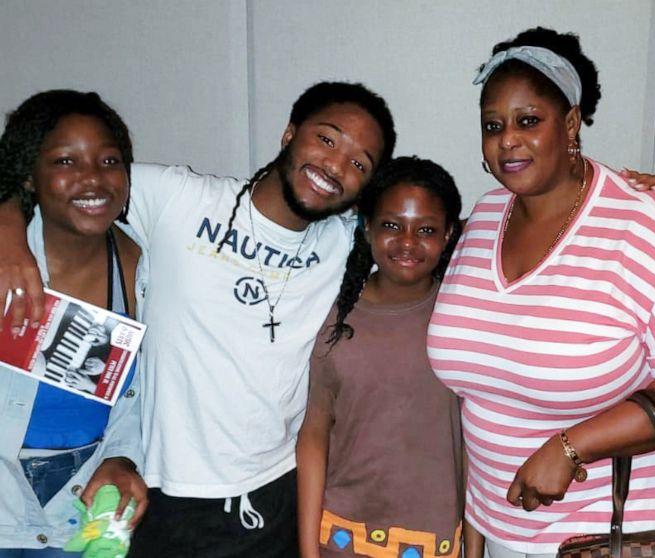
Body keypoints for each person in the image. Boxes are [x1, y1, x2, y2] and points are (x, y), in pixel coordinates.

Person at [0, 81, 397, 557]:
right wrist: (7, 225)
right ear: (289, 133)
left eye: (359, 163)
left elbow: (433, 239)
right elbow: (65, 181)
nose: (336, 166)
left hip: (272, 494)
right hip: (163, 493)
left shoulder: (349, 243)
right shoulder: (177, 197)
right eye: (327, 140)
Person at [426, 27, 655, 558]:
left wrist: (571, 448)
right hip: (501, 527)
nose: (508, 140)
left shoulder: (648, 227)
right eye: (493, 125)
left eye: (528, 121)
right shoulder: (482, 218)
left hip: (612, 535)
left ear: (570, 123)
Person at [0, 90, 146, 556]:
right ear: (29, 175)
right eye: (65, 162)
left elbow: (138, 394)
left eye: (109, 161)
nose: (92, 179)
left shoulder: (141, 266)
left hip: (83, 508)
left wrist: (124, 457)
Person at [297, 156, 464, 558]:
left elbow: (477, 443)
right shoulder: (332, 316)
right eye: (392, 225)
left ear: (447, 236)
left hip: (433, 542)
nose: (407, 242)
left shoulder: (462, 316)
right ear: (366, 225)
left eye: (425, 230)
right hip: (338, 537)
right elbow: (314, 434)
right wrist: (307, 550)